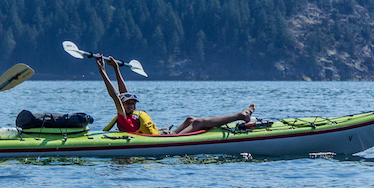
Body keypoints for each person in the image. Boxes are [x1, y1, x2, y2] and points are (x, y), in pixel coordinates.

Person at [95, 55, 254, 136]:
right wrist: (102, 70)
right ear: (122, 105)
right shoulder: (123, 117)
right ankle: (240, 115)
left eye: (133, 103)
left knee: (190, 119)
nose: (132, 105)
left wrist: (116, 68)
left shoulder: (132, 114)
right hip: (160, 143)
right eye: (128, 104)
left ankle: (240, 116)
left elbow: (123, 93)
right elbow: (116, 96)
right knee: (197, 123)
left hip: (163, 137)